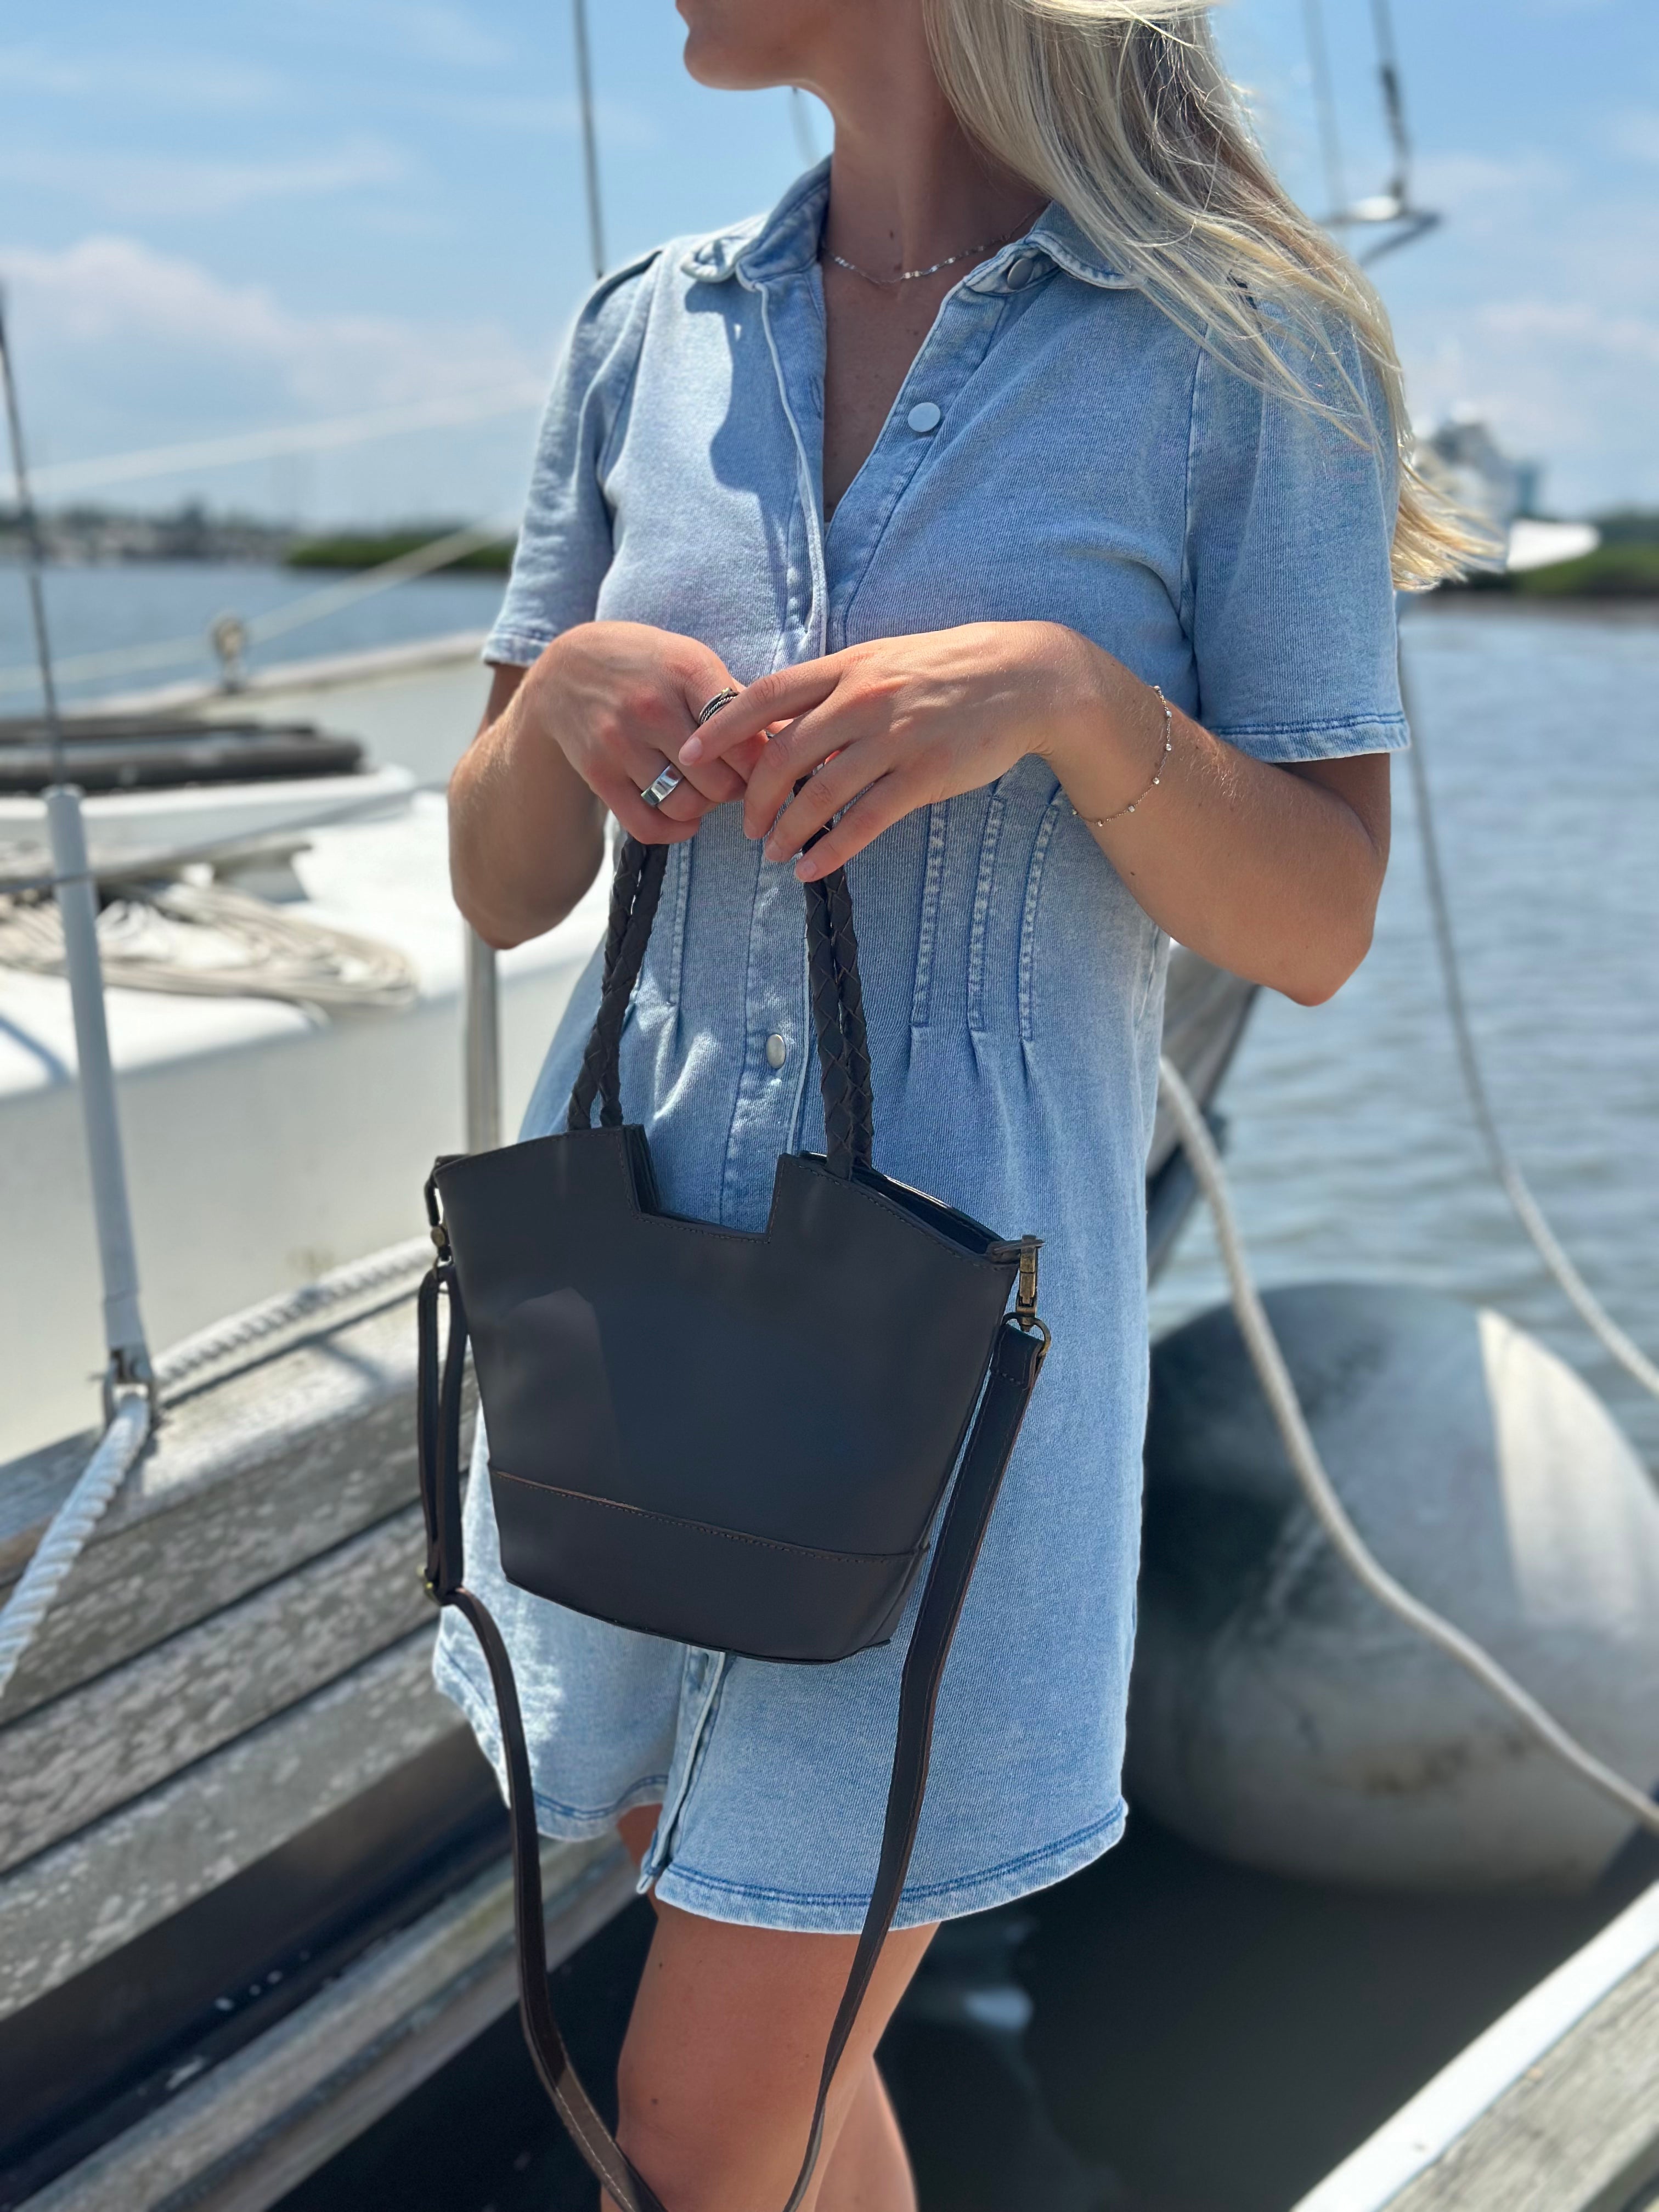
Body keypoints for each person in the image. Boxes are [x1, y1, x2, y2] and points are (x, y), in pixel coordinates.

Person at [436, 2, 1474, 2204]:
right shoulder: (644, 335)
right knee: (780, 2060)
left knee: (700, 2120)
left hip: (956, 1352)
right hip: (631, 1296)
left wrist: (1070, 703)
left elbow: (1317, 922)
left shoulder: (1245, 352)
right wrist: (559, 713)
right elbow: (501, 886)